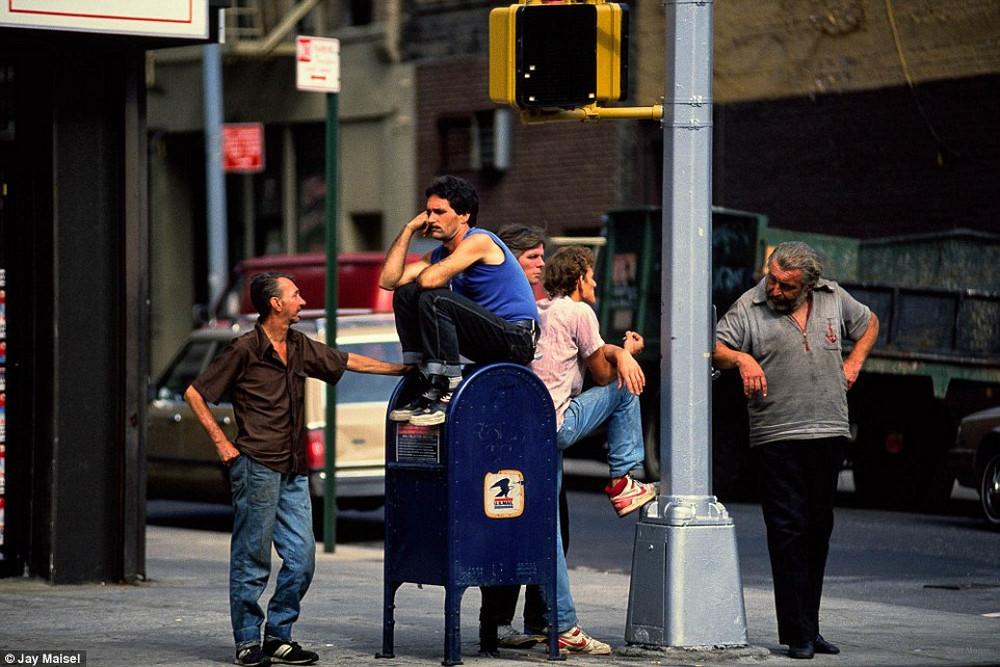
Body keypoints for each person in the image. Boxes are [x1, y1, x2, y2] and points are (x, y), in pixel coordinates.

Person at [184, 272, 408, 667]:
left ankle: (279, 635)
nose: (302, 301)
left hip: (293, 467)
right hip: (256, 464)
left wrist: (399, 370)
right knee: (252, 558)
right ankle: (248, 641)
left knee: (303, 557)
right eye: (296, 295)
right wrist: (222, 444)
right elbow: (195, 393)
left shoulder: (299, 344)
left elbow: (345, 360)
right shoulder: (245, 348)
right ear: (275, 303)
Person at [712, 242, 878, 660]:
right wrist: (743, 360)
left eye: (786, 285)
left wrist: (855, 360)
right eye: (772, 279)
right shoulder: (749, 305)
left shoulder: (833, 297)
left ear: (809, 285)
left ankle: (811, 626)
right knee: (787, 532)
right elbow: (715, 347)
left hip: (829, 430)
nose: (775, 289)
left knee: (818, 530)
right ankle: (797, 633)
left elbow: (870, 322)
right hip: (777, 436)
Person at [529, 245, 657, 654]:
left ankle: (562, 625)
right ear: (578, 278)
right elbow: (603, 374)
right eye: (592, 275)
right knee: (626, 386)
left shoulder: (541, 310)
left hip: (531, 429)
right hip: (559, 422)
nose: (597, 282)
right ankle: (624, 479)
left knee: (547, 530)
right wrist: (626, 353)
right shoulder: (578, 312)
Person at [378, 175, 539, 426]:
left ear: (463, 215)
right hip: (485, 337)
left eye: (439, 212)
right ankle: (420, 377)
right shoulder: (440, 253)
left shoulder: (479, 241)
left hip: (516, 338)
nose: (430, 219)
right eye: (428, 212)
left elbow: (429, 281)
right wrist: (409, 229)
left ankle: (447, 387)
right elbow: (389, 281)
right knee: (405, 294)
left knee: (434, 299)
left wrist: (427, 269)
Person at [476, 224, 564, 650]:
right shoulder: (503, 312)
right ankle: (496, 624)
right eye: (531, 257)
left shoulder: (546, 308)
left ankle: (540, 620)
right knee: (505, 523)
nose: (540, 264)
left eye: (542, 256)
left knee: (553, 525)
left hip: (540, 430)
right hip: (508, 430)